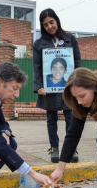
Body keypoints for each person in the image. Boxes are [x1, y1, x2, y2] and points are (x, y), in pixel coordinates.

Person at [33, 8, 81, 163]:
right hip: (49, 88)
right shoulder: (38, 44)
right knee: (51, 119)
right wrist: (39, 85)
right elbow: (37, 66)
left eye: (51, 22)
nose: (49, 27)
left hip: (68, 87)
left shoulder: (70, 39)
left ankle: (71, 149)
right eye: (45, 24)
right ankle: (54, 148)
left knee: (70, 117)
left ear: (57, 21)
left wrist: (77, 83)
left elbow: (78, 62)